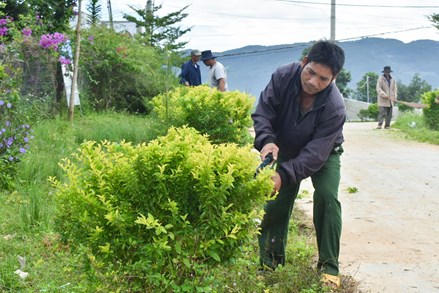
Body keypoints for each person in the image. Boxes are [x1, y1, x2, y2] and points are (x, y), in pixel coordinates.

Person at [252, 40, 346, 288]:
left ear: (333, 78)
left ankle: (329, 268)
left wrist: (284, 173)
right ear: (304, 61)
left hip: (325, 153)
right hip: (284, 146)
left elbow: (315, 155)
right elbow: (263, 113)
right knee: (276, 200)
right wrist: (267, 142)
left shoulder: (335, 107)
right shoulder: (283, 76)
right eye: (311, 72)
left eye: (323, 79)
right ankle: (270, 263)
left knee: (327, 197)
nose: (314, 82)